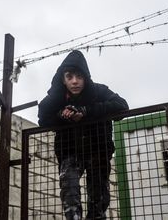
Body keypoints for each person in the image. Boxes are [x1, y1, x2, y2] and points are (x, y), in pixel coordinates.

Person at [38, 50, 128, 220]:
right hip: (70, 152)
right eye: (69, 77)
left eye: (79, 76)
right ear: (63, 80)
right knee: (70, 194)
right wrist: (61, 115)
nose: (74, 81)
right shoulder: (57, 97)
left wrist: (86, 112)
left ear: (85, 77)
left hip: (98, 151)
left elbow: (122, 106)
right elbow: (43, 118)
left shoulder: (99, 91)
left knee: (98, 198)